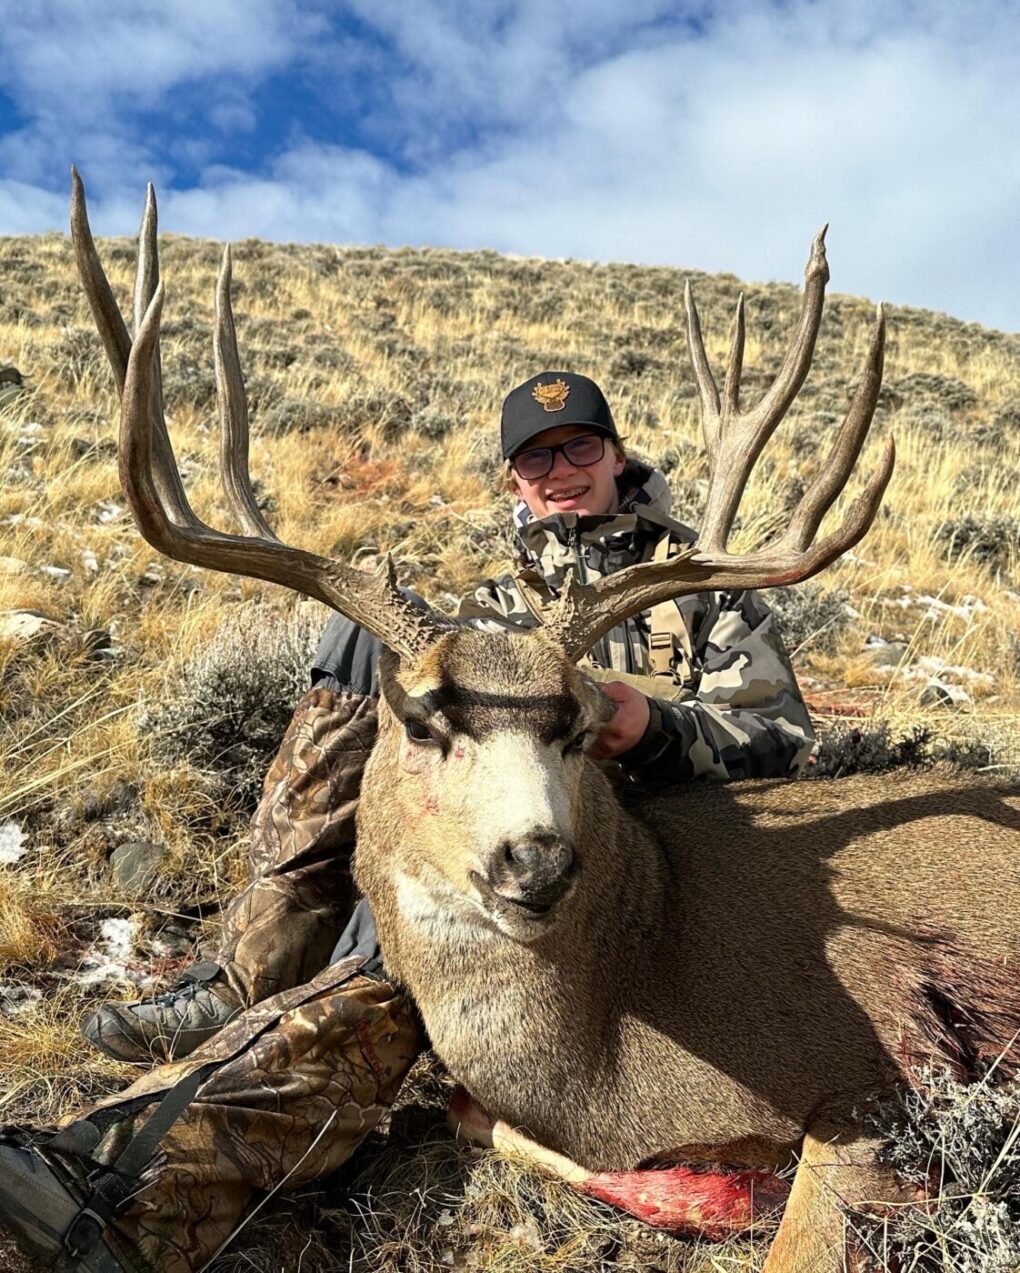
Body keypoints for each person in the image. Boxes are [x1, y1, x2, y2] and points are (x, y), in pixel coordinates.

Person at [0, 372, 814, 1273]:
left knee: (377, 988)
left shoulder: (697, 587)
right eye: (537, 457)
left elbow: (782, 738)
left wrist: (653, 726)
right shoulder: (498, 608)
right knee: (362, 657)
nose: (563, 469)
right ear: (516, 480)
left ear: (617, 455)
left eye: (582, 446)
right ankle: (265, 956)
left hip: (642, 869)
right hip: (501, 861)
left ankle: (133, 1185)